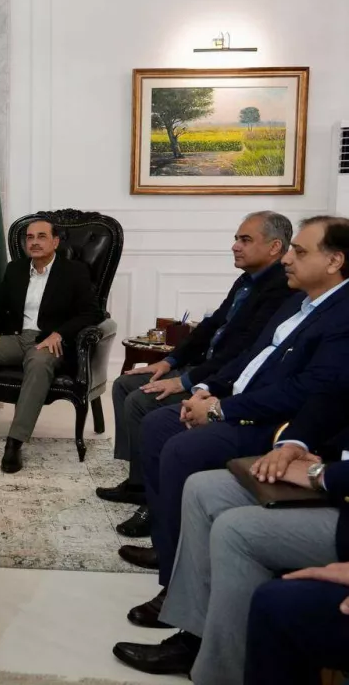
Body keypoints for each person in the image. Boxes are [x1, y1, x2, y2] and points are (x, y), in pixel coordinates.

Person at [119, 216, 349, 620]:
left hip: (276, 424)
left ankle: (174, 586)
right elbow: (249, 356)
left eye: (300, 251)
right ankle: (168, 549)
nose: (289, 259)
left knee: (181, 447)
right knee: (159, 424)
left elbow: (310, 390)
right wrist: (208, 391)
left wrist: (222, 408)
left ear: (335, 262)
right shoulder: (299, 300)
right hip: (237, 401)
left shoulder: (341, 315)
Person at [113, 392, 349, 684]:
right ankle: (195, 637)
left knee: (235, 530)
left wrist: (321, 475)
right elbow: (334, 396)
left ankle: (220, 673)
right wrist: (292, 445)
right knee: (203, 488)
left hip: (337, 488)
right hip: (329, 468)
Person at [97, 212, 294, 539]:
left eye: (245, 240)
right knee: (125, 384)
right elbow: (210, 327)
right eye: (236, 238)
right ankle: (138, 482)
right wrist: (169, 361)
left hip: (223, 380)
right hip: (203, 365)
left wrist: (185, 382)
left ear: (275, 247)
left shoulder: (281, 289)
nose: (234, 246)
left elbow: (243, 353)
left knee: (140, 400)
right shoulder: (246, 279)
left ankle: (152, 497)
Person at [0, 217, 101, 473]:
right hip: (17, 337)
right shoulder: (16, 269)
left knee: (40, 362)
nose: (34, 242)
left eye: (41, 237)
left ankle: (15, 442)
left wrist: (59, 334)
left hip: (49, 342)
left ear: (55, 242)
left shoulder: (74, 272)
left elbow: (92, 313)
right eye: (30, 238)